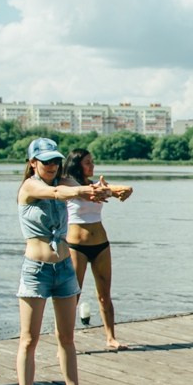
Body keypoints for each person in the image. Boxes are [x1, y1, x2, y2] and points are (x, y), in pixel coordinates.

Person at [15, 137, 108, 385]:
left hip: (65, 269)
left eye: (56, 161)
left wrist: (110, 191)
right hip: (37, 270)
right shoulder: (30, 186)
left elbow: (80, 188)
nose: (52, 166)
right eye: (46, 161)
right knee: (29, 339)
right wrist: (83, 190)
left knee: (67, 337)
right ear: (33, 163)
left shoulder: (64, 180)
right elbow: (57, 193)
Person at [62, 149, 133, 350]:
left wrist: (123, 191)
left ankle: (111, 338)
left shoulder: (97, 184)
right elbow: (88, 193)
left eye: (92, 162)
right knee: (73, 296)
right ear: (77, 164)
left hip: (101, 244)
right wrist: (107, 191)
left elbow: (121, 190)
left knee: (104, 294)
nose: (92, 165)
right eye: (87, 162)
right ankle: (65, 342)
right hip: (76, 246)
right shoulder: (67, 184)